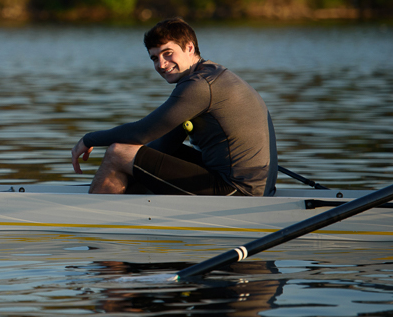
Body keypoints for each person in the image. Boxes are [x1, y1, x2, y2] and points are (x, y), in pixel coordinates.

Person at [71, 18, 277, 196]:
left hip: (237, 191)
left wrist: (89, 139)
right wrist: (137, 166)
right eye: (154, 57)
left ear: (189, 47)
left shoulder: (200, 86)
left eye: (167, 53)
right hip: (248, 184)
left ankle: (96, 218)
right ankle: (119, 202)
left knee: (118, 153)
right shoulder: (209, 75)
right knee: (134, 153)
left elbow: (141, 132)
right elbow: (164, 145)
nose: (161, 64)